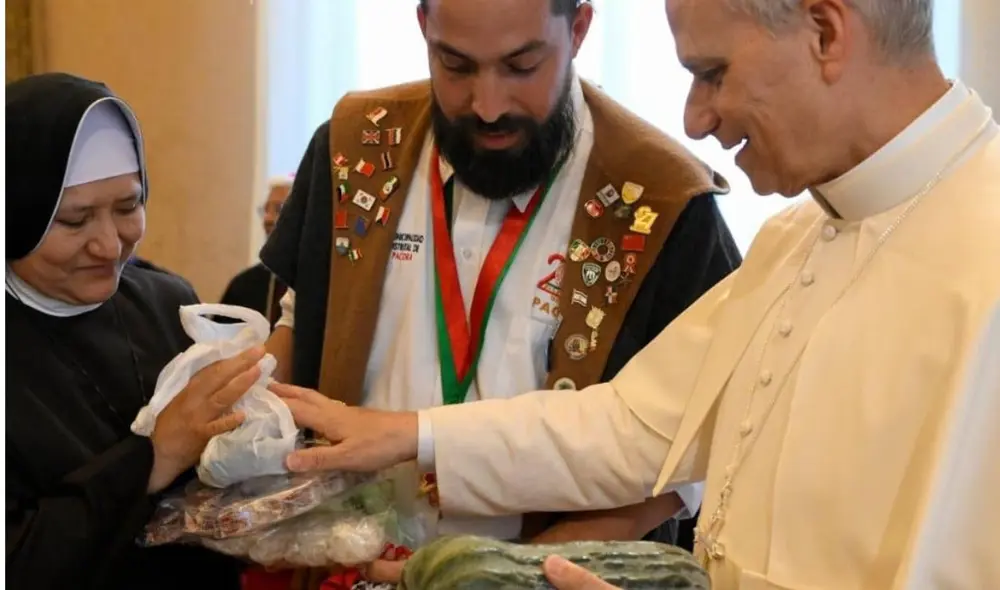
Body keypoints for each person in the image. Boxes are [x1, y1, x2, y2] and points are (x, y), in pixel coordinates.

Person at [269, 0, 1000, 588]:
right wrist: (412, 435)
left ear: (825, 30)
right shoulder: (795, 239)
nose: (696, 118)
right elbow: (633, 425)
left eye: (712, 72)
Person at [258, 0, 740, 584]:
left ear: (579, 30)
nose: (487, 106)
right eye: (455, 66)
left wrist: (510, 572)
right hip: (341, 563)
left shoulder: (663, 200)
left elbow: (682, 461)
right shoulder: (354, 146)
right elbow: (300, 322)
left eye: (522, 66)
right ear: (423, 28)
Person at [5, 72, 265, 590]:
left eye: (128, 207)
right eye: (74, 221)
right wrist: (155, 456)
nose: (109, 246)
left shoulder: (168, 301)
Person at [219, 175, 293, 326]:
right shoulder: (243, 285)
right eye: (265, 210)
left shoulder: (320, 281)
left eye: (278, 209)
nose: (268, 219)